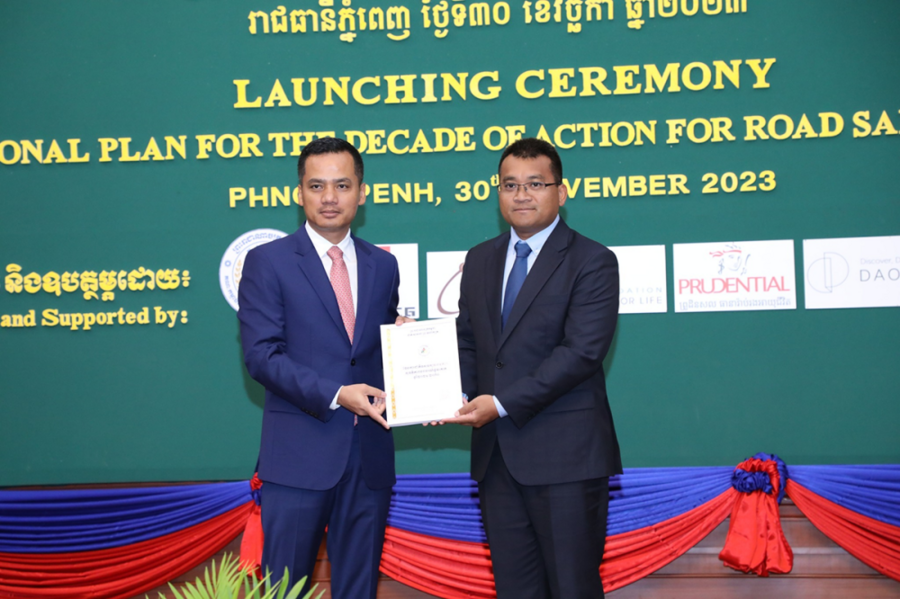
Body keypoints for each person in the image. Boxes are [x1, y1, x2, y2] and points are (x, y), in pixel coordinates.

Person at [446, 138, 622, 598]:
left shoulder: (592, 261)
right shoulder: (480, 259)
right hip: (496, 462)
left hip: (566, 461)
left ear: (560, 193)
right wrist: (451, 393)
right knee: (515, 590)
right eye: (510, 185)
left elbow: (581, 352)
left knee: (572, 588)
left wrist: (501, 403)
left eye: (535, 184)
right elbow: (468, 342)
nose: (521, 195)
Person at [238, 137, 410, 599]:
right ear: (299, 193)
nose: (329, 197)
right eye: (317, 186)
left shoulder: (383, 265)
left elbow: (369, 350)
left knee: (358, 589)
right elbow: (262, 355)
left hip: (369, 457)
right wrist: (337, 394)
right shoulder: (267, 262)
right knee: (285, 590)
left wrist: (407, 351)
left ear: (362, 192)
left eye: (342, 185)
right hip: (298, 458)